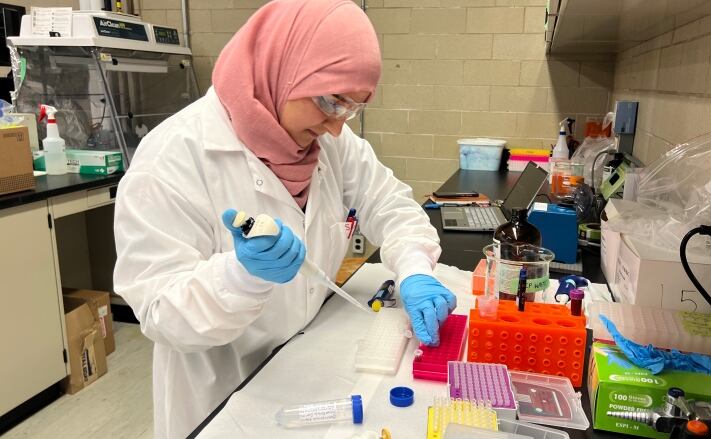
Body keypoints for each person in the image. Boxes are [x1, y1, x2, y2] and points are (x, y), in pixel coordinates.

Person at [112, 0, 457, 437]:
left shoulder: (330, 140)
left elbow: (388, 203)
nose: (336, 126)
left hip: (305, 369)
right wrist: (239, 277)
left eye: (351, 108)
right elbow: (161, 314)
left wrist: (413, 269)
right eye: (332, 101)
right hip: (222, 394)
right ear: (285, 67)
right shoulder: (171, 159)